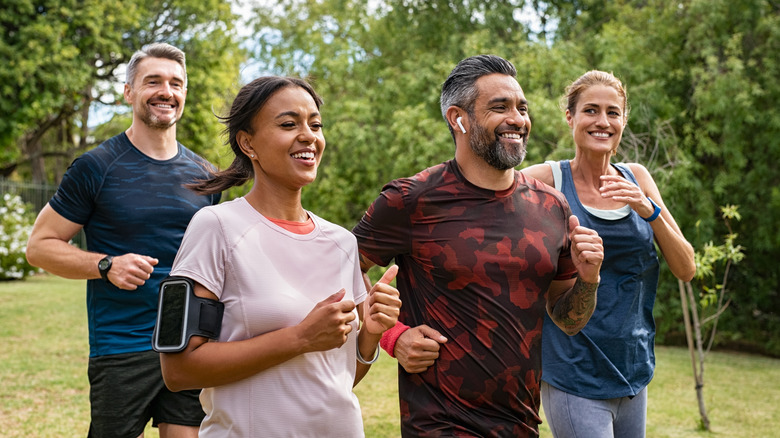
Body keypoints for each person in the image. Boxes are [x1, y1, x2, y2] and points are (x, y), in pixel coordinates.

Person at [352, 54, 605, 437]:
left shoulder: (552, 206)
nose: (517, 120)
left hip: (521, 423)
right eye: (499, 107)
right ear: (459, 118)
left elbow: (568, 320)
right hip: (438, 424)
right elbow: (338, 266)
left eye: (522, 108)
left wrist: (589, 279)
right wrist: (392, 335)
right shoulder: (411, 200)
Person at [158, 76, 402, 437]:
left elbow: (338, 378)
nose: (308, 136)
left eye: (315, 124)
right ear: (248, 143)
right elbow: (178, 371)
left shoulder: (341, 242)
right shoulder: (215, 227)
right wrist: (300, 337)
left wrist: (370, 335)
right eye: (289, 124)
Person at [25, 43, 220, 437]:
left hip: (188, 341)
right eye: (153, 81)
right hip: (122, 346)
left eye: (176, 83)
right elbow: (39, 246)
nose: (167, 91)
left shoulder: (206, 175)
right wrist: (106, 265)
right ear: (129, 92)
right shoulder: (96, 167)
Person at [521, 70, 696, 437]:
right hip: (574, 372)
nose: (602, 122)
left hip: (632, 368)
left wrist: (650, 210)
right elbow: (486, 208)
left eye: (613, 113)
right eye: (591, 111)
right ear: (570, 117)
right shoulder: (546, 180)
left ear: (623, 121)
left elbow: (686, 267)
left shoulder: (637, 178)